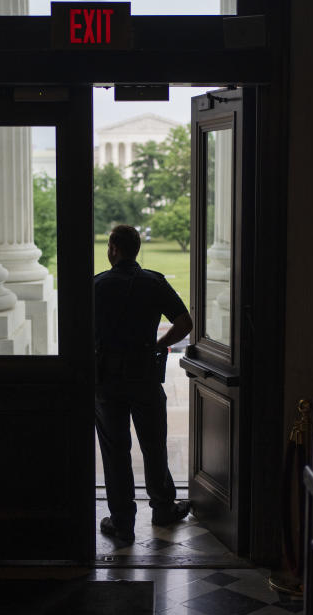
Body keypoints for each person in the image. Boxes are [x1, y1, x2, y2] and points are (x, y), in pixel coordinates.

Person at [94, 224, 194, 543]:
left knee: (115, 449)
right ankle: (163, 507)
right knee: (153, 443)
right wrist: (159, 344)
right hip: (144, 374)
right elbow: (184, 323)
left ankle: (123, 523)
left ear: (113, 249)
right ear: (137, 249)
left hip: (107, 379)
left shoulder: (97, 285)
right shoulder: (154, 282)